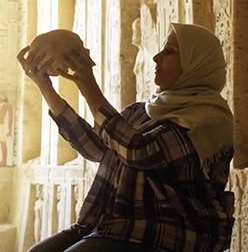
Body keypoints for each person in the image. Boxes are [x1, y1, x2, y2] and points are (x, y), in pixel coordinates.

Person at [19, 23, 235, 251]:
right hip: (111, 226)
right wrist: (45, 87)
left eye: (169, 52)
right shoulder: (142, 111)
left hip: (165, 233)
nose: (156, 58)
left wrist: (89, 87)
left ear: (196, 63)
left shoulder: (206, 120)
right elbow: (96, 149)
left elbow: (138, 151)